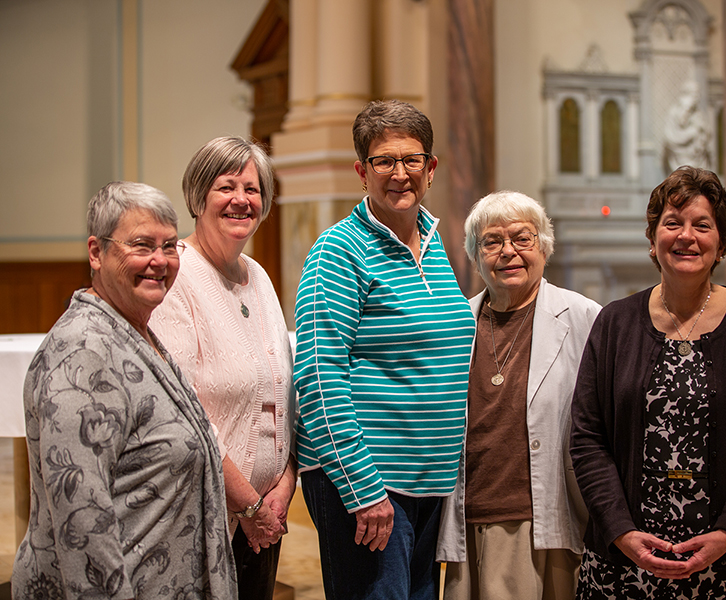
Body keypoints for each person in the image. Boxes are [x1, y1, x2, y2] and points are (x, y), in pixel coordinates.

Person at [570, 166, 726, 598]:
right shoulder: (614, 323)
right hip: (624, 561)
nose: (686, 236)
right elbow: (587, 437)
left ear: (721, 242)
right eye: (672, 223)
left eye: (702, 225)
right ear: (653, 238)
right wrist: (620, 531)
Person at [12, 182, 237, 599]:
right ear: (96, 252)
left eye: (169, 245)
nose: (159, 261)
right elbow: (83, 524)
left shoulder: (134, 332)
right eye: (141, 245)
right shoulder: (83, 353)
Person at [293, 99, 476, 600]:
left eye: (412, 159)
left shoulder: (436, 243)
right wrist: (362, 487)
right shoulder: (338, 249)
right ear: (362, 171)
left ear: (431, 168)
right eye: (384, 161)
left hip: (427, 483)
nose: (400, 173)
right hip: (369, 484)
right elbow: (317, 376)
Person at [150, 137, 296, 600]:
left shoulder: (258, 276)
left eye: (251, 190)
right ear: (198, 197)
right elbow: (183, 412)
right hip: (202, 513)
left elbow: (281, 397)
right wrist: (249, 503)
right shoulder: (175, 274)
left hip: (266, 513)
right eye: (225, 187)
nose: (240, 200)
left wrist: (284, 486)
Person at [436, 191, 602, 600]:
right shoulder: (458, 320)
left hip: (545, 519)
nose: (508, 251)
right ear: (476, 255)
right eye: (492, 242)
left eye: (522, 239)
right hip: (466, 515)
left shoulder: (584, 317)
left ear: (543, 246)